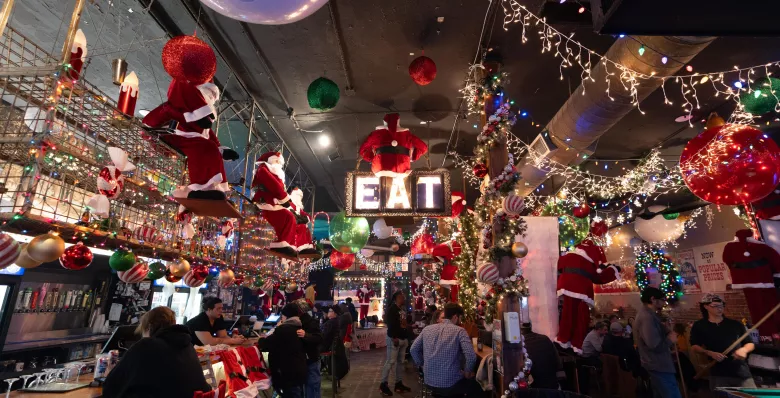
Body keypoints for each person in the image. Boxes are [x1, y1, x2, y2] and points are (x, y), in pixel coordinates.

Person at [103, 307, 211, 398]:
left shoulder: (146, 345)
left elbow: (111, 388)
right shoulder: (187, 345)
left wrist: (109, 373)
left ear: (149, 327)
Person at [410, 302, 482, 397]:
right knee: (478, 386)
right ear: (456, 317)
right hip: (450, 384)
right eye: (460, 318)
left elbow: (413, 349)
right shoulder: (459, 331)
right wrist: (467, 372)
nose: (460, 321)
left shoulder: (427, 329)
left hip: (429, 381)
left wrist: (422, 365)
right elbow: (471, 356)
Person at [690, 294, 756, 390]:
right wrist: (709, 352)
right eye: (715, 306)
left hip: (741, 371)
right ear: (706, 306)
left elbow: (750, 343)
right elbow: (694, 346)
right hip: (718, 372)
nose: (719, 309)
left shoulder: (735, 324)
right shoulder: (699, 326)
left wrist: (744, 350)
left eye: (721, 306)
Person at [634, 287, 681, 398]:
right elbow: (654, 344)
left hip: (656, 363)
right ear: (653, 299)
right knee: (671, 394)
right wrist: (670, 340)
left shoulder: (650, 314)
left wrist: (665, 329)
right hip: (658, 364)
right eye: (662, 299)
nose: (664, 302)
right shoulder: (647, 317)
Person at [258, 303, 308, 397]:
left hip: (288, 373)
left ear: (285, 316)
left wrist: (260, 339)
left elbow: (266, 344)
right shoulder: (298, 326)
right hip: (298, 370)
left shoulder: (284, 329)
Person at [379, 291, 412, 396]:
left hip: (402, 339)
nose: (404, 299)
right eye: (402, 297)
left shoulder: (401, 309)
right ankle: (383, 384)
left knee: (400, 362)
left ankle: (398, 383)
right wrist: (394, 337)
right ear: (396, 298)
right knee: (390, 362)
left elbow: (403, 323)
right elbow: (390, 324)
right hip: (395, 339)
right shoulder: (392, 309)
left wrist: (406, 337)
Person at [521, 323, 565, 390]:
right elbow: (559, 365)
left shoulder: (518, 345)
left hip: (536, 392)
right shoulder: (545, 339)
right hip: (554, 390)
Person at [295, 300, 323, 398]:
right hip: (304, 360)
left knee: (312, 386)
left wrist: (306, 335)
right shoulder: (297, 322)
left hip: (311, 359)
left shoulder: (310, 322)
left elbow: (319, 338)